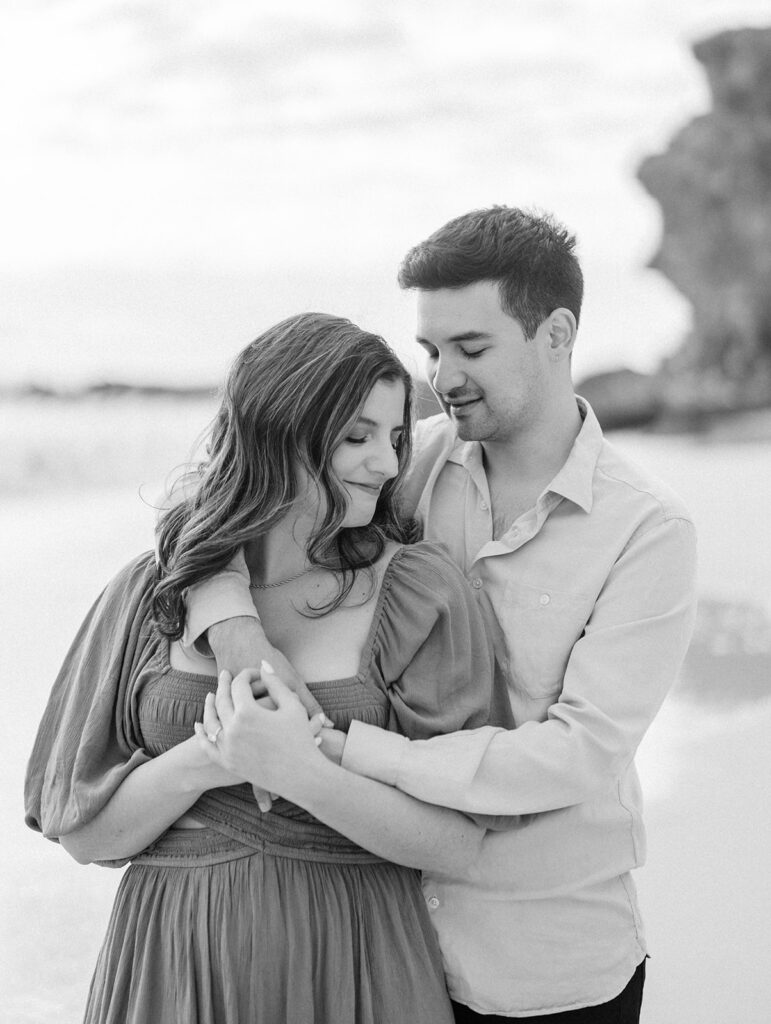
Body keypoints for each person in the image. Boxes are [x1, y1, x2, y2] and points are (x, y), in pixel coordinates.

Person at [187, 207, 698, 1022]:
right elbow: (220, 502)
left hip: (549, 964)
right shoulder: (410, 462)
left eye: (470, 348)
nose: (442, 375)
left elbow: (576, 756)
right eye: (430, 349)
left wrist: (340, 751)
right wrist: (237, 628)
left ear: (556, 334)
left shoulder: (646, 530)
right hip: (386, 948)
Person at [24, 312, 511, 1024]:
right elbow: (85, 834)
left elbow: (459, 843)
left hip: (357, 963)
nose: (385, 463)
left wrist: (298, 771)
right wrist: (210, 758)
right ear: (278, 435)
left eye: (397, 438)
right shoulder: (149, 594)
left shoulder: (418, 593)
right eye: (357, 436)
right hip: (172, 966)